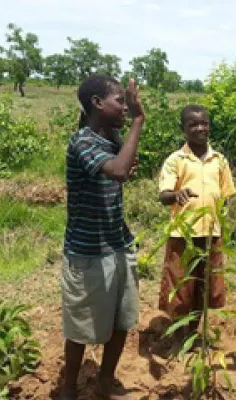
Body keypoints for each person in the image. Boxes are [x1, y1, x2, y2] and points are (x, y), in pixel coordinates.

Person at [60, 75, 144, 400]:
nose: (125, 106)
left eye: (126, 102)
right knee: (81, 330)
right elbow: (121, 171)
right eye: (119, 101)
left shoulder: (112, 138)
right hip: (88, 252)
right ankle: (69, 388)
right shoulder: (81, 141)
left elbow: (126, 165)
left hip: (118, 245)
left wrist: (125, 149)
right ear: (97, 103)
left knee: (122, 321)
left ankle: (104, 383)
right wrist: (139, 119)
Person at [157, 104, 236, 341]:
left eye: (204, 123)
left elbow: (225, 196)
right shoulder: (176, 160)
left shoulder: (219, 160)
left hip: (211, 234)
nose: (200, 128)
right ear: (183, 129)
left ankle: (194, 333)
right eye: (193, 124)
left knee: (205, 286)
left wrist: (220, 223)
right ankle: (180, 336)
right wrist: (176, 195)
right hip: (184, 234)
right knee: (181, 285)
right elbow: (164, 195)